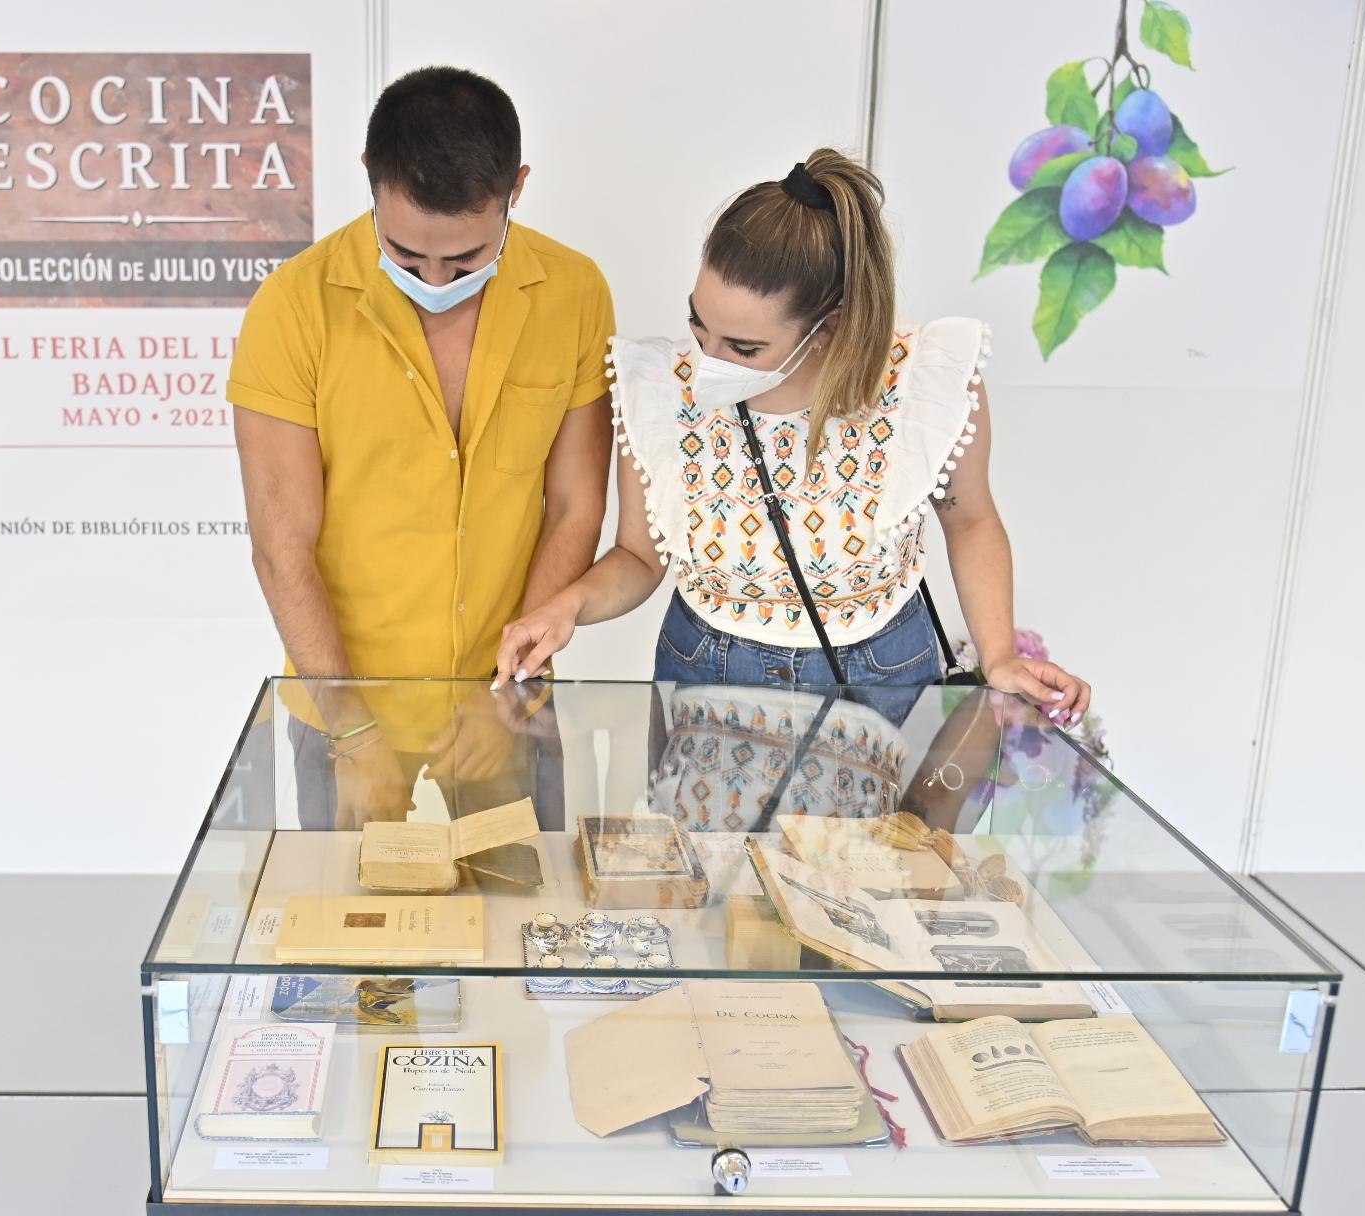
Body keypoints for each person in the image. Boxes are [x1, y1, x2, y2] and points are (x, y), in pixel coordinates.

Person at [493, 148, 1091, 727]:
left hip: (880, 677)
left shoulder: (923, 383)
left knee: (884, 837)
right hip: (706, 671)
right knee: (701, 838)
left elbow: (971, 520)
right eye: (698, 324)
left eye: (744, 348)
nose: (709, 359)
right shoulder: (659, 389)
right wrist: (566, 605)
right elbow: (638, 557)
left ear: (829, 327)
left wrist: (1000, 655)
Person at [229, 66, 615, 828]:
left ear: (518, 188)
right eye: (406, 256)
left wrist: (503, 694)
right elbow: (282, 545)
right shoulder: (293, 308)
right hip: (343, 706)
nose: (436, 278)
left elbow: (575, 506)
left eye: (467, 259)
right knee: (347, 939)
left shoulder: (575, 294)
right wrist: (352, 730)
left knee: (525, 929)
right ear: (370, 180)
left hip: (506, 701)